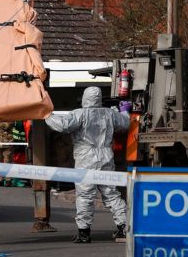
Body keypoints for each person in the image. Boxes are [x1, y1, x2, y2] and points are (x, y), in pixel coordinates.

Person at [45, 87, 130, 244]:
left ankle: (84, 233)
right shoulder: (110, 114)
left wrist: (47, 115)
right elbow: (125, 123)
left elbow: (62, 125)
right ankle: (124, 228)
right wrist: (124, 111)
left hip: (86, 158)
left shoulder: (79, 114)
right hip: (106, 155)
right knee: (111, 193)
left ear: (85, 98)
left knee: (85, 194)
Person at [0, 122, 14, 187]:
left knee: (8, 161)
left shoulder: (8, 117)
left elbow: (8, 125)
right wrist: (2, 124)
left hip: (7, 141)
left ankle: (8, 180)